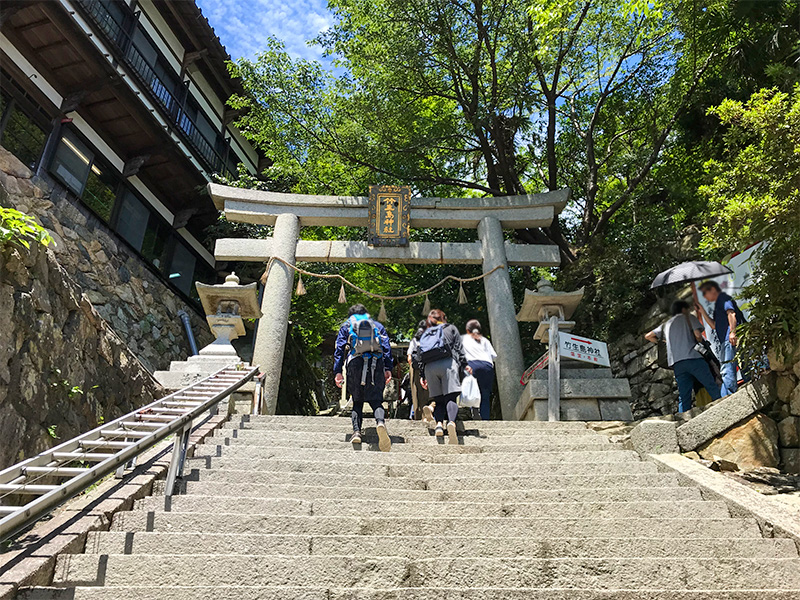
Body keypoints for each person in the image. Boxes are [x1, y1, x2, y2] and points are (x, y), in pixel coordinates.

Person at [333, 304, 394, 451]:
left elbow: (339, 349)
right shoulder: (377, 326)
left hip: (355, 363)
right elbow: (386, 347)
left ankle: (356, 433)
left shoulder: (347, 325)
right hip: (376, 363)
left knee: (357, 400)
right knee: (376, 399)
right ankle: (380, 422)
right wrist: (387, 368)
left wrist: (337, 371)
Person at [645, 300, 721, 413]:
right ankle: (722, 406)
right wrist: (698, 340)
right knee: (710, 385)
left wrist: (663, 342)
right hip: (693, 358)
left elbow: (649, 336)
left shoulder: (666, 324)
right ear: (684, 309)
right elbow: (698, 335)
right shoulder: (688, 318)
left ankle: (683, 419)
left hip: (677, 363)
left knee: (684, 396)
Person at [414, 309, 471, 444]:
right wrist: (464, 366)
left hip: (429, 367)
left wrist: (423, 374)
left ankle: (439, 424)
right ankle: (451, 422)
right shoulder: (450, 328)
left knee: (438, 400)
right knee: (450, 397)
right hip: (447, 364)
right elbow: (459, 349)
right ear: (443, 318)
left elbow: (419, 354)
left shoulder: (425, 332)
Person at [694, 280, 746, 396]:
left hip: (729, 338)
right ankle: (741, 386)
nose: (705, 297)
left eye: (705, 293)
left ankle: (727, 396)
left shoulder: (723, 298)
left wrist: (732, 332)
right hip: (726, 339)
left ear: (712, 290)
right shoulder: (718, 304)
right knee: (742, 363)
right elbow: (713, 325)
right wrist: (702, 311)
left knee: (727, 368)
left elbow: (731, 314)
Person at [461, 319, 497, 420]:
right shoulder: (484, 340)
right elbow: (494, 356)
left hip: (472, 365)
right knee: (485, 394)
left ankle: (475, 412)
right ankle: (485, 418)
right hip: (487, 366)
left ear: (468, 330)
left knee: (471, 389)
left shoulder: (463, 339)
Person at [406, 320, 430, 421]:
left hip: (415, 367)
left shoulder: (414, 340)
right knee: (427, 391)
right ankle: (428, 412)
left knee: (415, 391)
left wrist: (413, 366)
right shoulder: (430, 339)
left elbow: (409, 356)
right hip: (428, 364)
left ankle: (417, 414)